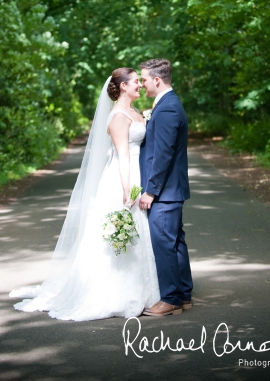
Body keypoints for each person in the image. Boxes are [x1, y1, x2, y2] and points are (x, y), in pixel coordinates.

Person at [10, 68, 159, 321]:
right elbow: (123, 155)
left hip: (138, 174)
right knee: (121, 231)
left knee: (141, 231)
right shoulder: (117, 117)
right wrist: (126, 190)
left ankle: (147, 291)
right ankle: (116, 293)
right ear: (123, 86)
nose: (140, 86)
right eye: (136, 82)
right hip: (123, 178)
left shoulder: (135, 113)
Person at [137, 58, 194, 316]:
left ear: (157, 80)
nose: (142, 84)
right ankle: (183, 296)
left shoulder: (168, 108)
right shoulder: (167, 104)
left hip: (165, 191)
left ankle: (169, 299)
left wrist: (150, 190)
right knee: (175, 242)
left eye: (145, 79)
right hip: (171, 190)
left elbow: (163, 154)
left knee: (163, 243)